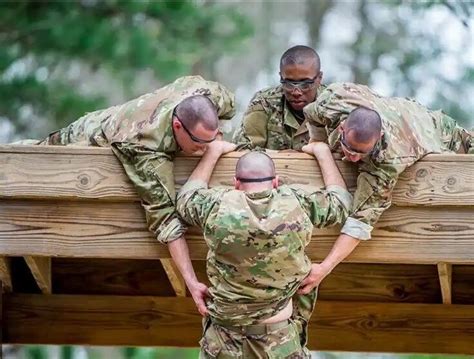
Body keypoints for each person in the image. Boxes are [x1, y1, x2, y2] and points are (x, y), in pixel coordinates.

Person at [174, 140, 352, 358]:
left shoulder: (216, 204)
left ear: (236, 183)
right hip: (278, 342)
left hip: (223, 338)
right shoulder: (297, 201)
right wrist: (322, 151)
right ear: (276, 182)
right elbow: (341, 204)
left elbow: (185, 198)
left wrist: (213, 152)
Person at [297, 82, 474, 294]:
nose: (352, 157)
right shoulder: (334, 99)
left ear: (378, 139)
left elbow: (359, 223)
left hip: (434, 129)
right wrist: (319, 143)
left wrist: (324, 268)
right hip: (396, 110)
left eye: (361, 153)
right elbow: (312, 114)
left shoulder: (390, 158)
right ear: (342, 127)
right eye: (349, 148)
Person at [19, 76, 235, 246]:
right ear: (178, 127)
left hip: (124, 120)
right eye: (198, 142)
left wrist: (213, 143)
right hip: (95, 133)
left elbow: (228, 108)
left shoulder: (210, 94)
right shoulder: (144, 144)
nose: (205, 147)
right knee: (37, 155)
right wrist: (191, 282)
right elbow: (165, 222)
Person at [233, 45, 326, 150]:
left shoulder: (332, 106)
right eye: (289, 83)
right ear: (281, 77)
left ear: (319, 78)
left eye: (305, 84)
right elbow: (242, 150)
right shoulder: (264, 103)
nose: (296, 92)